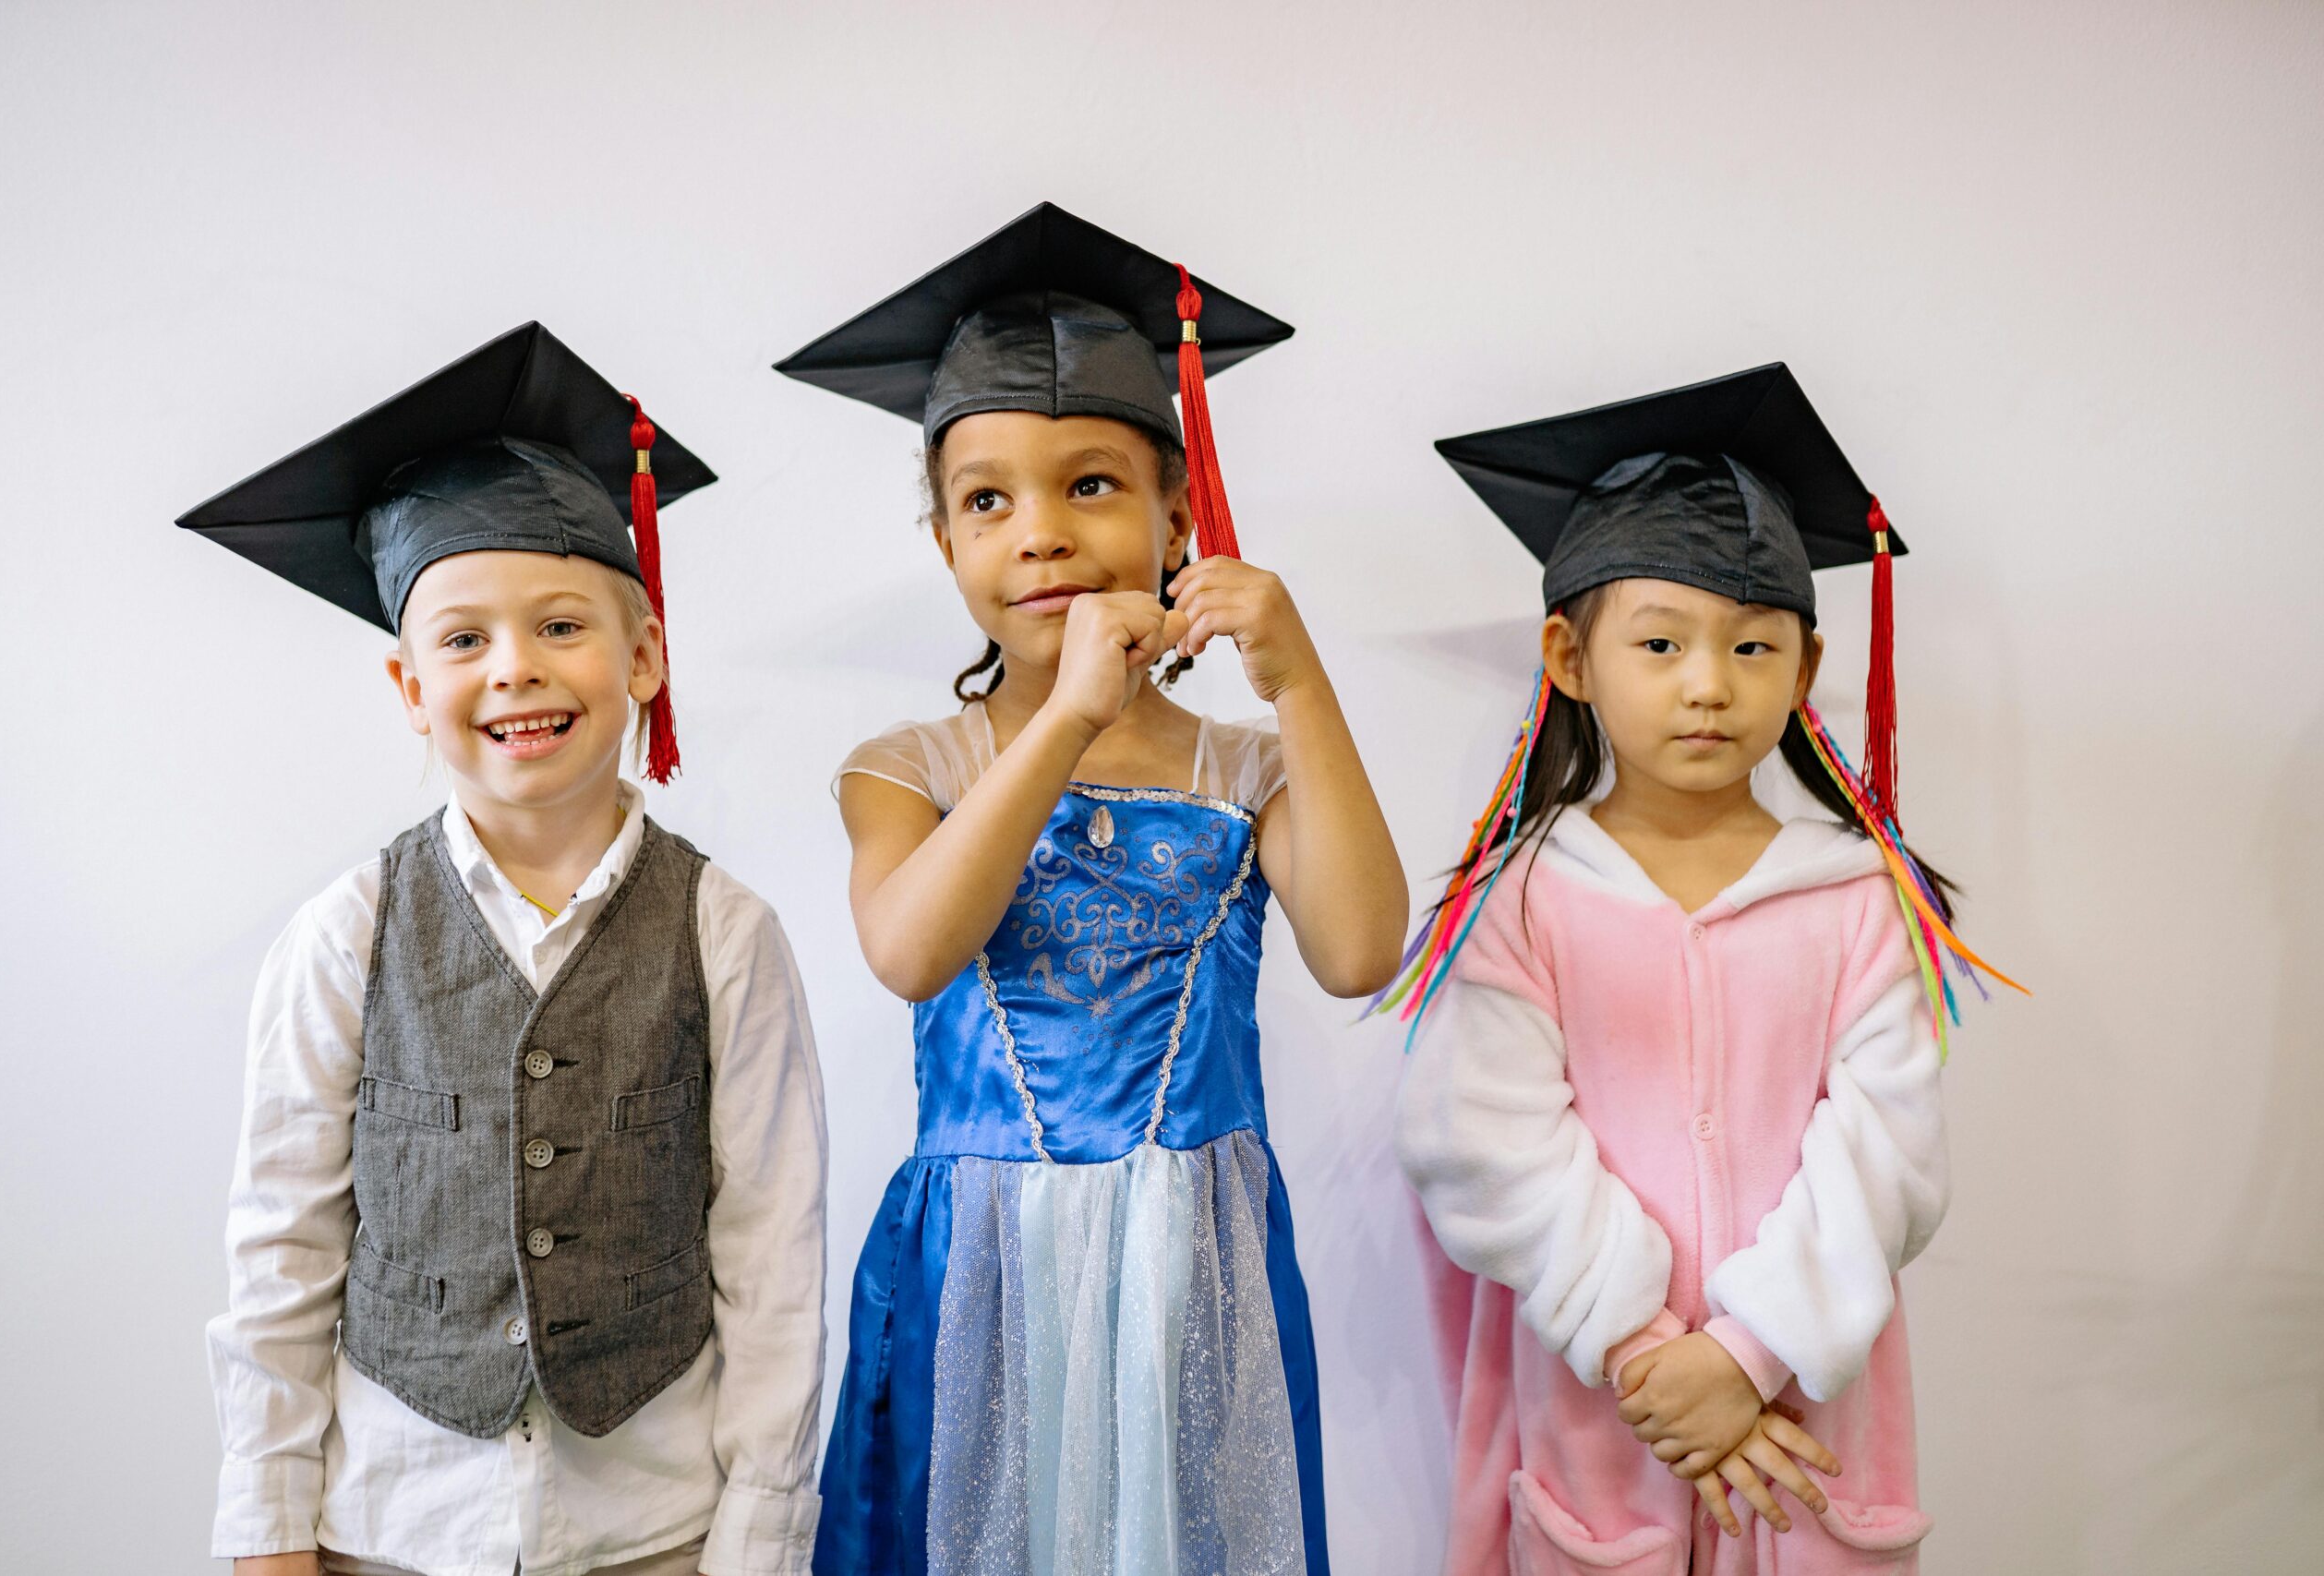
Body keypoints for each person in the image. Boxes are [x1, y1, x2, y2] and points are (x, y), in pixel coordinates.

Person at [776, 203, 1408, 1575]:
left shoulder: (1244, 770)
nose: (1042, 535)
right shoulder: (910, 767)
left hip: (1195, 1275)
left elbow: (1362, 950)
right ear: (946, 547)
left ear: (1180, 517)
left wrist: (1299, 680)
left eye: (1093, 486)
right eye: (987, 501)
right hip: (980, 1272)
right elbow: (911, 950)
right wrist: (1067, 715)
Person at [186, 323, 828, 1576]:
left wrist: (760, 1535)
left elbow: (772, 1257)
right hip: (394, 1524)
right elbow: (283, 1247)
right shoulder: (345, 933)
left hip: (656, 1528)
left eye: (562, 625)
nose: (516, 669)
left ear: (646, 655)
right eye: (464, 639)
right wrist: (267, 1530)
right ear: (410, 689)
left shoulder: (726, 932)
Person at [1387, 364, 2023, 1574]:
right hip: (1604, 1407)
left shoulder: (1855, 900)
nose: (1708, 684)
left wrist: (1745, 1356)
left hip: (1802, 1411)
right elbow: (1480, 1139)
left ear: (1805, 666)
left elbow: (1888, 1154)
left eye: (1752, 644)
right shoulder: (1522, 898)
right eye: (1661, 641)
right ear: (1569, 658)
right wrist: (1648, 1355)